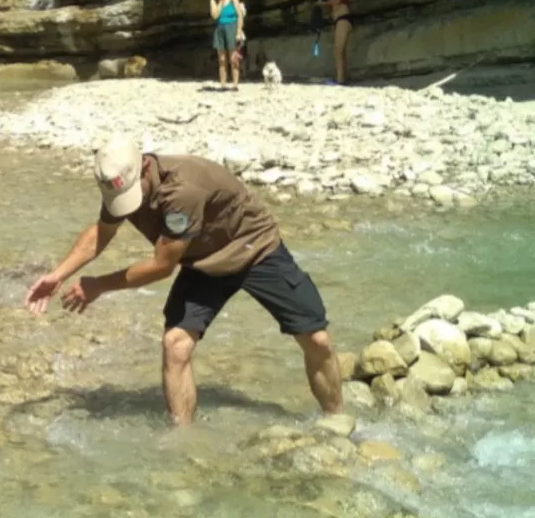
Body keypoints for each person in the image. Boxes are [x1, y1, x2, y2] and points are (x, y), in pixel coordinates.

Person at [24, 135, 345, 426]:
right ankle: (182, 438)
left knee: (316, 339)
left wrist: (99, 285)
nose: (128, 204)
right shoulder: (119, 183)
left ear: (145, 167)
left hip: (254, 248)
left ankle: (336, 421)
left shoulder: (183, 191)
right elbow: (101, 233)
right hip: (202, 260)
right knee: (175, 344)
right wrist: (58, 274)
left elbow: (162, 266)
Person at [315, 0, 352, 85]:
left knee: (338, 50)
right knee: (340, 51)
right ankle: (342, 78)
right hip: (340, 20)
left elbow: (338, 0)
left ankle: (340, 80)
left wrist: (323, 3)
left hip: (343, 18)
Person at [209, 0, 245, 91]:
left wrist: (238, 31)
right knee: (222, 59)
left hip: (232, 28)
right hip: (220, 29)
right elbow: (215, 16)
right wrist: (221, 1)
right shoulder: (213, 0)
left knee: (233, 58)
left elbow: (239, 15)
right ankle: (223, 85)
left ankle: (235, 85)